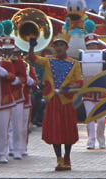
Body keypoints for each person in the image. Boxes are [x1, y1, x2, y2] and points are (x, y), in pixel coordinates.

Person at [29, 34, 81, 171]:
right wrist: (31, 47)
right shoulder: (48, 60)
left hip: (66, 100)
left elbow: (80, 83)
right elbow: (32, 58)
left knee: (68, 130)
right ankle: (59, 159)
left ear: (66, 47)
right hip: (53, 100)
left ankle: (67, 156)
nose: (59, 48)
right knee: (55, 130)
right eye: (56, 45)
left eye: (61, 45)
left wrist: (69, 88)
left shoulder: (74, 63)